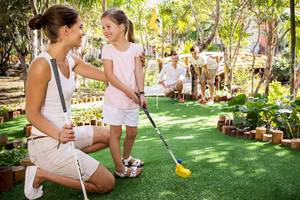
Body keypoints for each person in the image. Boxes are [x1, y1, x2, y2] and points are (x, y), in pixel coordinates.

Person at [25, 5, 116, 199]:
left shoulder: (69, 58)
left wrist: (131, 63)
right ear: (66, 30)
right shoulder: (41, 65)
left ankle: (69, 161)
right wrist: (58, 134)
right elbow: (31, 113)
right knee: (106, 183)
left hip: (67, 136)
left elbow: (105, 76)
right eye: (80, 27)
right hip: (47, 143)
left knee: (110, 136)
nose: (83, 33)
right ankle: (42, 173)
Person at [101, 8, 146, 178]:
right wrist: (129, 92)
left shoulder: (136, 48)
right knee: (116, 134)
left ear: (121, 27)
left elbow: (138, 72)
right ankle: (120, 168)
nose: (105, 31)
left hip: (132, 100)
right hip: (115, 100)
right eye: (103, 28)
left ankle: (126, 157)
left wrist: (141, 94)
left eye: (108, 26)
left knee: (132, 132)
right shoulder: (107, 49)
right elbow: (110, 76)